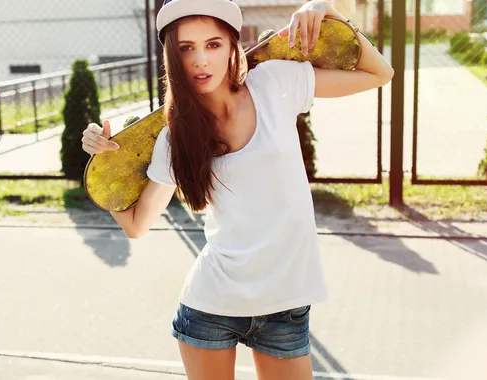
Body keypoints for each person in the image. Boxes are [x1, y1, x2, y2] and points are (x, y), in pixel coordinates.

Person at [81, 0, 394, 378]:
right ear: (172, 58)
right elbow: (136, 226)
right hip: (210, 306)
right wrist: (106, 167)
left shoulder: (276, 83)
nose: (200, 60)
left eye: (213, 44)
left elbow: (380, 73)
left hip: (286, 306)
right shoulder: (174, 137)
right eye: (186, 48)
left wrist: (325, 9)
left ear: (232, 45)